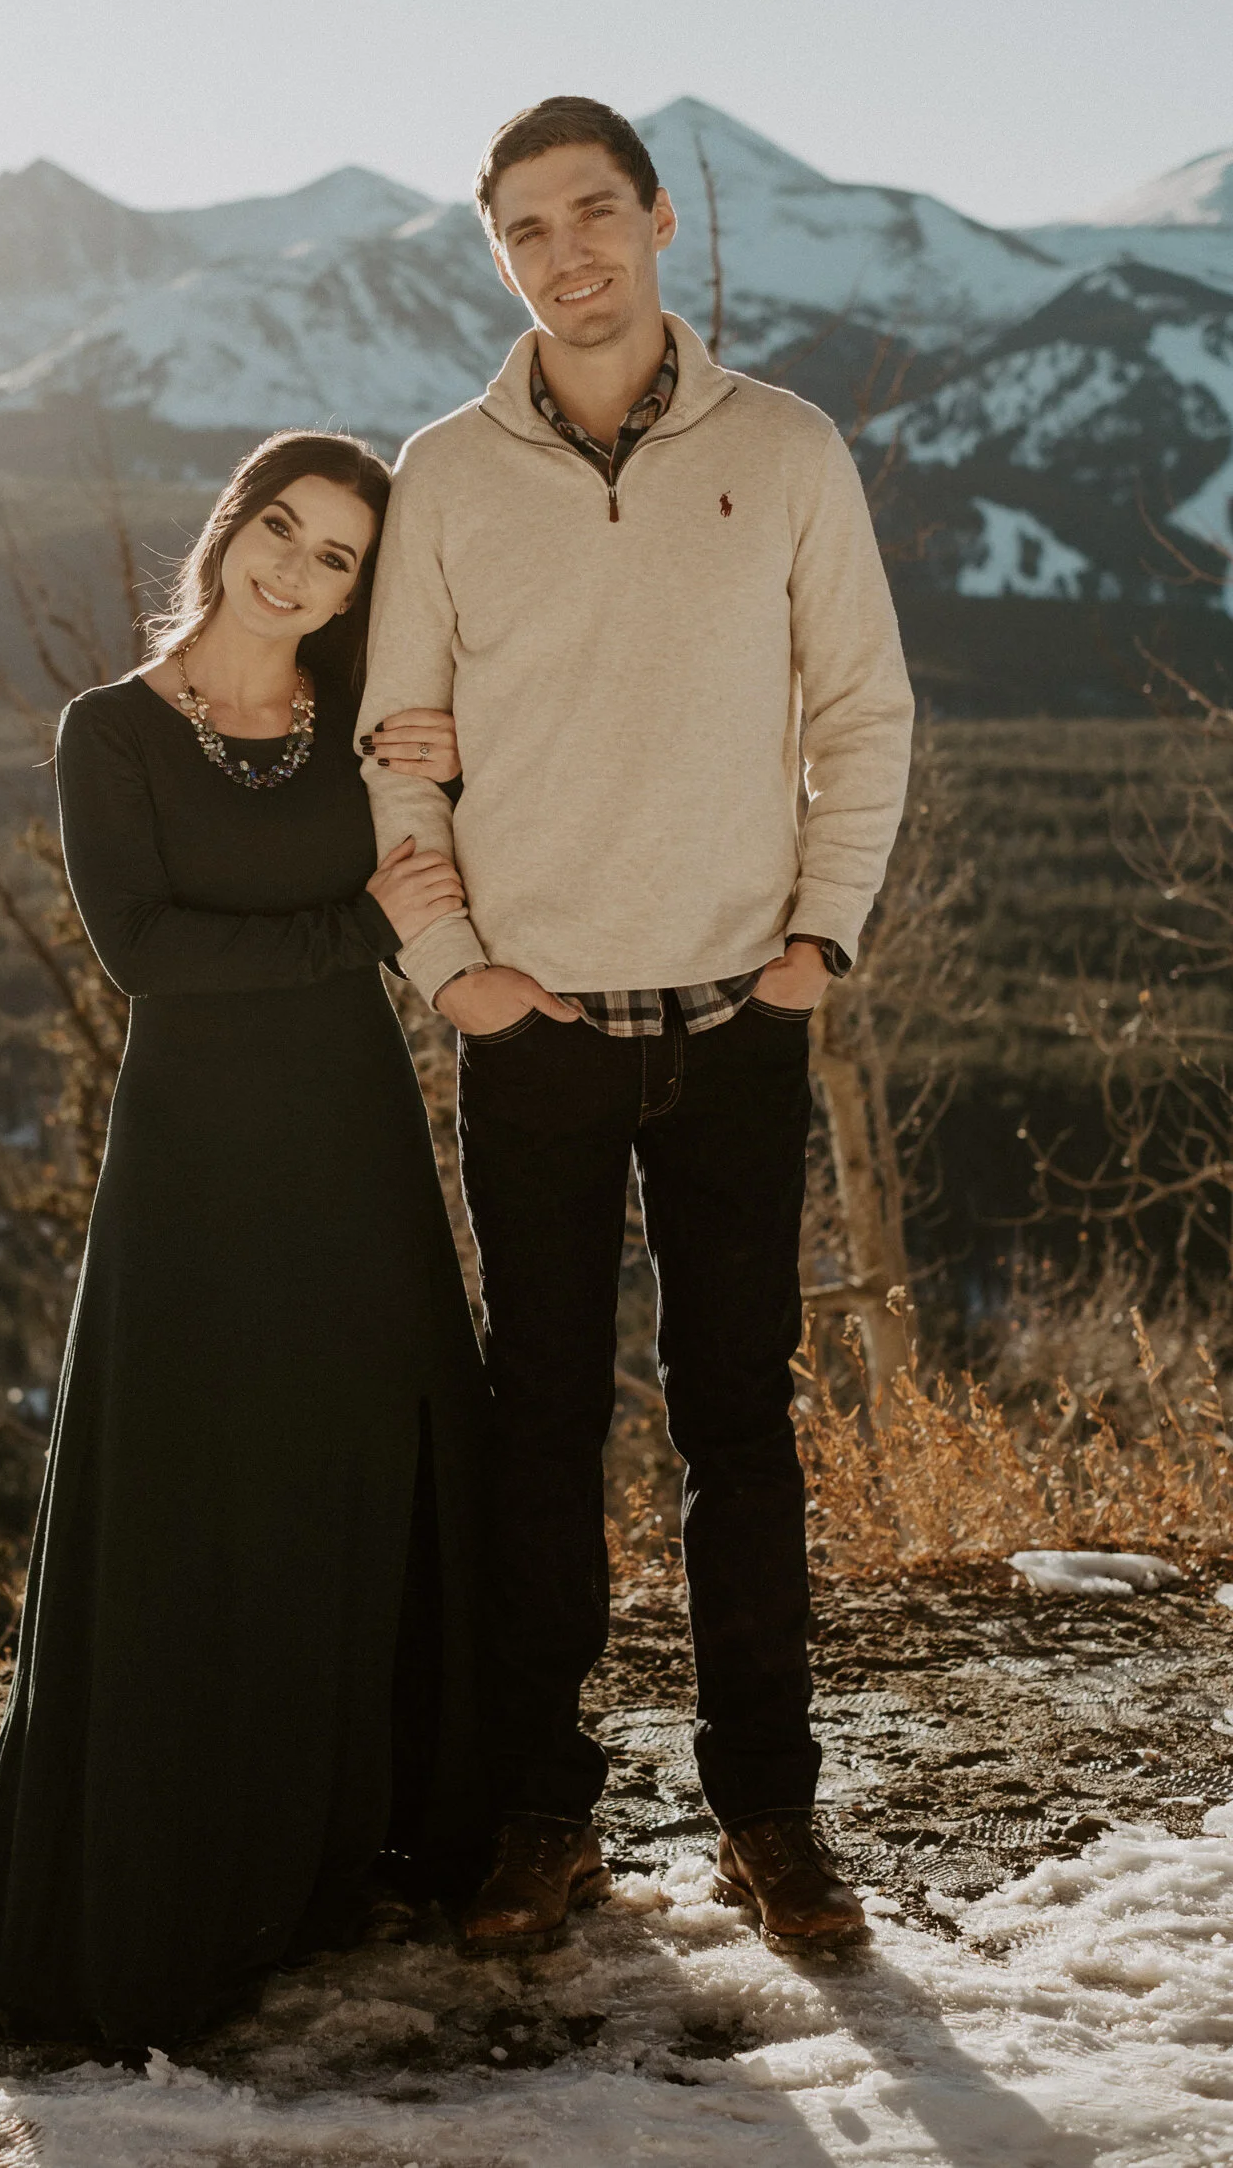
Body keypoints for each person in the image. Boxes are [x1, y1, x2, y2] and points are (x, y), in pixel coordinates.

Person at [358, 97, 914, 1959]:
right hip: (535, 1036)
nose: (566, 250)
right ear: (498, 257)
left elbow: (867, 712)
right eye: (526, 229)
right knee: (540, 1433)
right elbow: (394, 759)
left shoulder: (788, 447)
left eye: (594, 211)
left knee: (739, 1429)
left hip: (745, 1019)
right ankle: (542, 1816)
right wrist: (456, 972)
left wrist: (818, 945)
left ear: (661, 222)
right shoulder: (443, 474)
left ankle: (770, 1812)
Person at [0, 431, 493, 2052]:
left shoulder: (362, 733)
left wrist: (457, 768)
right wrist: (357, 928)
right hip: (193, 1166)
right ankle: (177, 1880)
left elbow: (444, 876)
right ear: (230, 528)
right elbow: (145, 953)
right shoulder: (110, 731)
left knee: (373, 1468)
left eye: (334, 559)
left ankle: (363, 1841)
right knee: (195, 1493)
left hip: (358, 1145)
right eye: (281, 531)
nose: (295, 572)